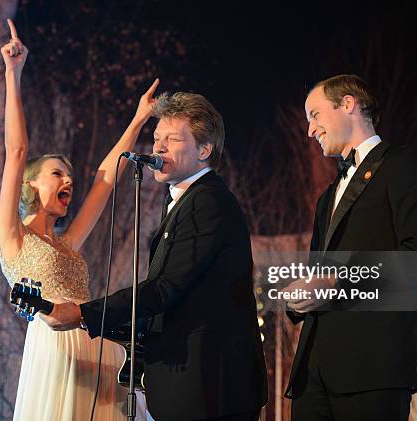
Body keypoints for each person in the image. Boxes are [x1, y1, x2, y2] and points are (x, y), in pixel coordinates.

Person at [42, 92, 268, 420]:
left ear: (205, 150)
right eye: (156, 137)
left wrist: (82, 313)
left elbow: (164, 288)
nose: (158, 148)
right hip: (190, 386)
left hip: (210, 390)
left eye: (172, 139)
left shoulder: (208, 203)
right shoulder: (182, 200)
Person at [0, 19, 158, 421]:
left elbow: (106, 178)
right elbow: (16, 150)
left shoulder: (67, 244)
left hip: (98, 352)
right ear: (30, 183)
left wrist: (138, 121)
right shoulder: (12, 235)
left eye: (69, 175)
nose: (69, 179)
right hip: (57, 352)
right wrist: (13, 74)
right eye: (56, 173)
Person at [283, 74, 417, 420]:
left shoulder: (403, 166)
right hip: (313, 372)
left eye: (315, 115)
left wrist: (338, 281)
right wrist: (299, 296)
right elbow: (318, 273)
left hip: (373, 367)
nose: (310, 130)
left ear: (349, 104)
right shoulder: (327, 197)